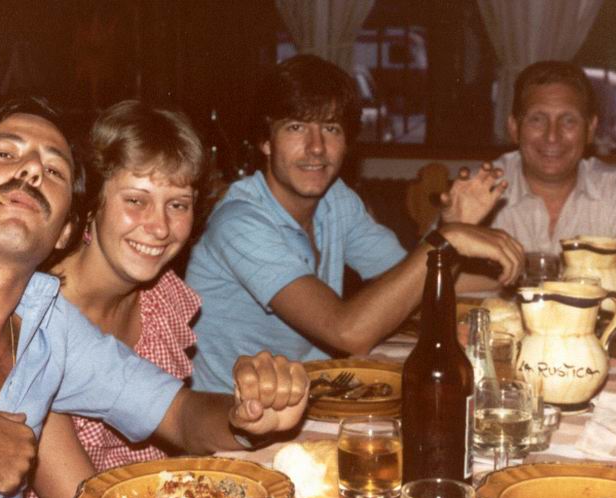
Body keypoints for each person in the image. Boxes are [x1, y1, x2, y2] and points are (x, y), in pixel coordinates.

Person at [0, 97, 308, 498]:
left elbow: (178, 413)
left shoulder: (51, 327)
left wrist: (247, 416)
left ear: (65, 232)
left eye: (54, 170)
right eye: (4, 154)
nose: (31, 169)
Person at [185, 54, 525, 394]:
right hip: (233, 413)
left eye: (331, 129)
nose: (316, 148)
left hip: (310, 395)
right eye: (296, 127)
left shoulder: (336, 200)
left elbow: (410, 286)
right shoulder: (239, 223)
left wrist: (518, 279)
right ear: (265, 141)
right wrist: (448, 238)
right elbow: (347, 332)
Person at [23, 101, 208, 498]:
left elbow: (183, 422)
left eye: (177, 204)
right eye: (136, 200)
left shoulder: (162, 298)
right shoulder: (34, 317)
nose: (160, 227)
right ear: (93, 203)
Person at [476, 60, 616, 318]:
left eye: (568, 121)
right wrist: (601, 278)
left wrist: (507, 278)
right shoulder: (482, 187)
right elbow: (431, 275)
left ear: (590, 129)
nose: (552, 136)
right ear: (514, 128)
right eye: (537, 120)